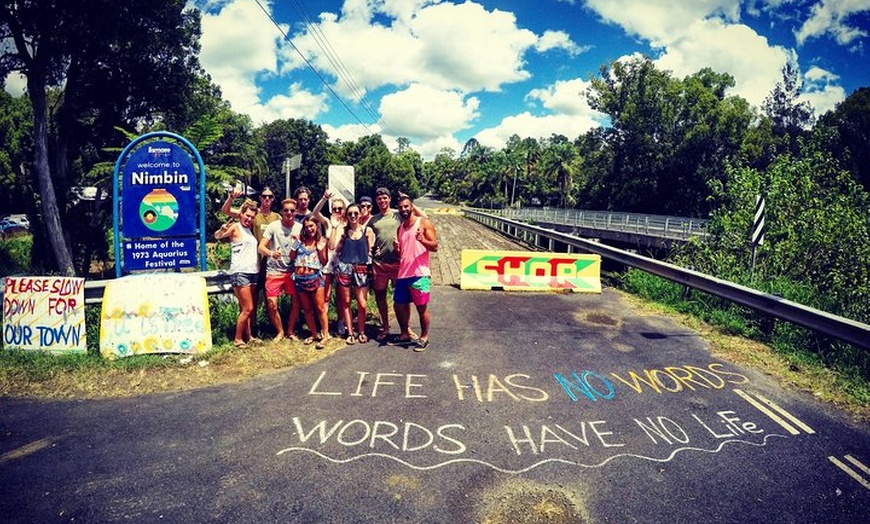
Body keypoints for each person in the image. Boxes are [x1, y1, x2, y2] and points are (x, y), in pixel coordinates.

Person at [367, 187, 426, 342]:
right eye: (379, 199)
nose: (382, 201)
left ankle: (405, 329)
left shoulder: (398, 214)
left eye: (385, 198)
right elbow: (365, 235)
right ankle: (385, 327)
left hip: (398, 264)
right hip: (379, 264)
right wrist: (371, 249)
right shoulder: (373, 219)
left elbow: (423, 216)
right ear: (376, 201)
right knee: (380, 296)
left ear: (389, 199)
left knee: (403, 299)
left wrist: (408, 199)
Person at [222, 186, 280, 336]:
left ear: (273, 198)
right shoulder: (253, 214)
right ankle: (251, 330)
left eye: (270, 196)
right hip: (252, 262)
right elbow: (227, 211)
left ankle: (271, 327)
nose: (267, 199)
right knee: (250, 301)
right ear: (260, 198)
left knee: (269, 298)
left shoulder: (277, 217)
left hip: (269, 264)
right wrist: (231, 197)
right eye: (264, 196)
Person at [214, 199, 261, 348]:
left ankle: (249, 336)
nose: (249, 219)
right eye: (247, 215)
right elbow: (218, 236)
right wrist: (221, 230)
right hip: (240, 273)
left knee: (245, 308)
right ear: (241, 214)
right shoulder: (235, 227)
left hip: (252, 272)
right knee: (249, 308)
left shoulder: (249, 229)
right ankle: (237, 339)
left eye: (252, 217)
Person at [394, 195, 438, 351]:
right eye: (400, 207)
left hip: (419, 273)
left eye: (406, 206)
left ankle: (424, 337)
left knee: (421, 307)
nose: (403, 210)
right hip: (403, 274)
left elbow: (434, 246)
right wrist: (397, 250)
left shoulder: (423, 223)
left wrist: (422, 240)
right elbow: (402, 254)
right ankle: (404, 333)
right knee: (399, 305)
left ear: (411, 206)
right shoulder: (400, 228)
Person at [257, 198, 303, 342]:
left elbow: (309, 246)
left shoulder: (300, 227)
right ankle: (280, 331)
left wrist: (299, 241)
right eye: (286, 210)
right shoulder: (273, 226)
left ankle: (290, 330)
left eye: (292, 210)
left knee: (296, 302)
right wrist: (271, 253)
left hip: (292, 271)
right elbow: (261, 247)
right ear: (282, 211)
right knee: (271, 303)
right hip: (274, 271)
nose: (289, 213)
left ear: (296, 212)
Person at [334, 203, 375, 344]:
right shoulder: (343, 232)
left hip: (361, 269)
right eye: (350, 213)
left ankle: (361, 330)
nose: (353, 216)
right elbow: (334, 248)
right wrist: (336, 229)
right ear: (346, 215)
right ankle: (350, 332)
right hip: (345, 267)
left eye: (355, 213)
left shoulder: (367, 230)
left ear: (360, 214)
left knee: (362, 304)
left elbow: (371, 251)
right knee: (345, 302)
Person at [291, 214, 330, 349]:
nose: (309, 229)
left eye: (311, 226)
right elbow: (291, 257)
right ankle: (314, 334)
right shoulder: (300, 241)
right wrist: (294, 243)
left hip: (314, 278)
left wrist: (320, 250)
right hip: (300, 279)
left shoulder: (321, 241)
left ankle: (325, 336)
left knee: (320, 308)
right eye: (306, 226)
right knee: (307, 309)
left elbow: (324, 261)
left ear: (316, 226)